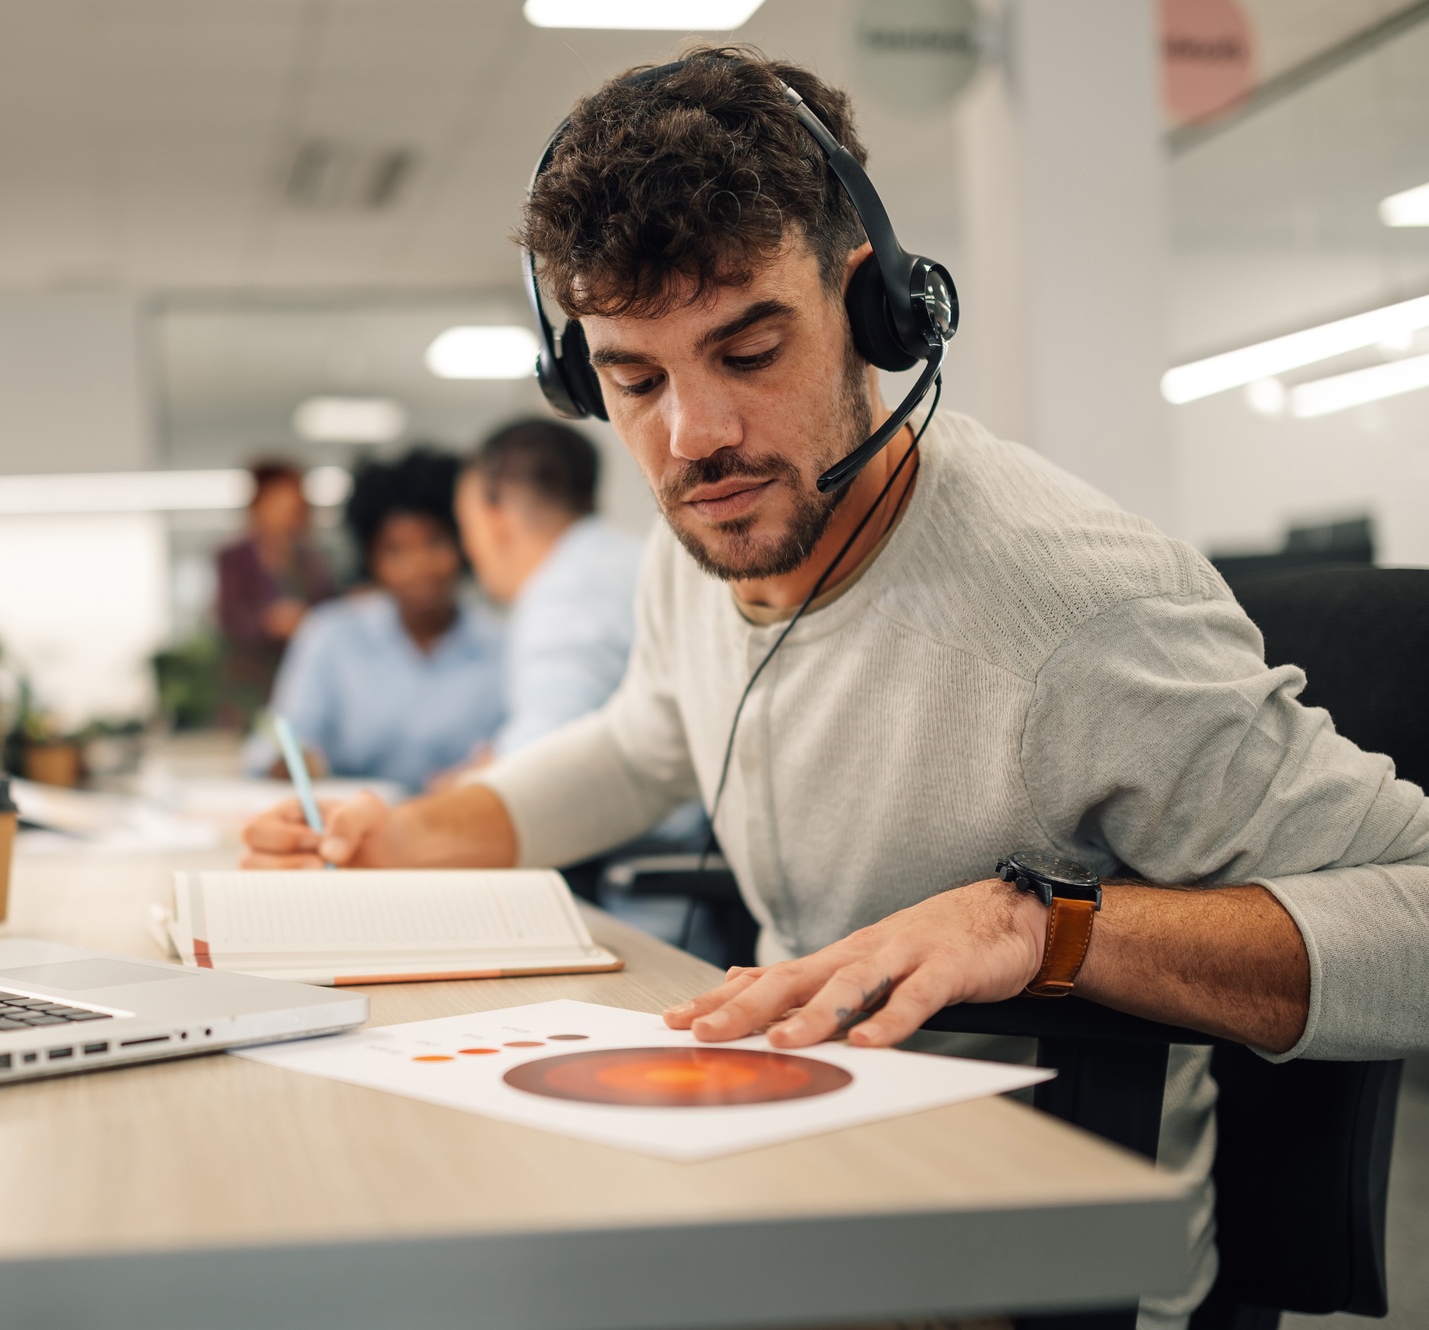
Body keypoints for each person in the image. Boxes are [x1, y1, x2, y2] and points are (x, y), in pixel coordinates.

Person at [243, 49, 1429, 1327]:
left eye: (748, 348)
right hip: (785, 1171)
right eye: (633, 380)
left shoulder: (1080, 611)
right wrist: (407, 834)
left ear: (873, 312)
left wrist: (1047, 927)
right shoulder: (703, 529)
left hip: (1013, 1262)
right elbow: (645, 739)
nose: (693, 436)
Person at [247, 447, 504, 794]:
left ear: (463, 543)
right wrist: (292, 760)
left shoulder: (502, 643)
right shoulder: (331, 636)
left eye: (435, 541)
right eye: (395, 550)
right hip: (353, 830)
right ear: (371, 559)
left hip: (463, 831)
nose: (419, 566)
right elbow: (275, 744)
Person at [454, 418, 642, 759]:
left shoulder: (565, 597)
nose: (468, 549)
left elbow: (545, 755)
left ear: (496, 519)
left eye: (467, 525)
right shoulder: (631, 558)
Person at [214, 459, 336, 725]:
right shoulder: (235, 558)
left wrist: (308, 620)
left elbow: (332, 613)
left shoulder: (313, 561)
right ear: (259, 504)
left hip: (305, 679)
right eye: (280, 501)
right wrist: (269, 622)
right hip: (253, 684)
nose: (289, 511)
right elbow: (229, 617)